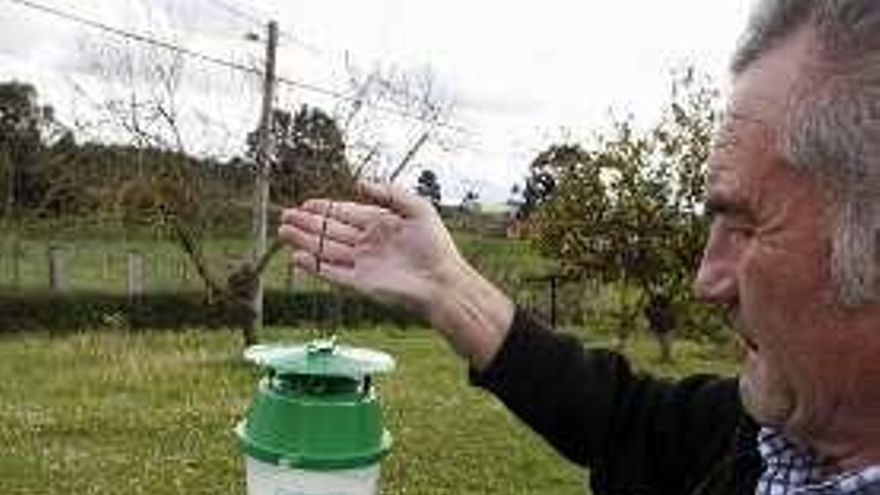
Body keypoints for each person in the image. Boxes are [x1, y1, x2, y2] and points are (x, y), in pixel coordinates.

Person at [278, 0, 880, 493]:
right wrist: (448, 288)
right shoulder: (764, 440)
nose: (706, 279)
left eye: (748, 227)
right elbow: (622, 419)